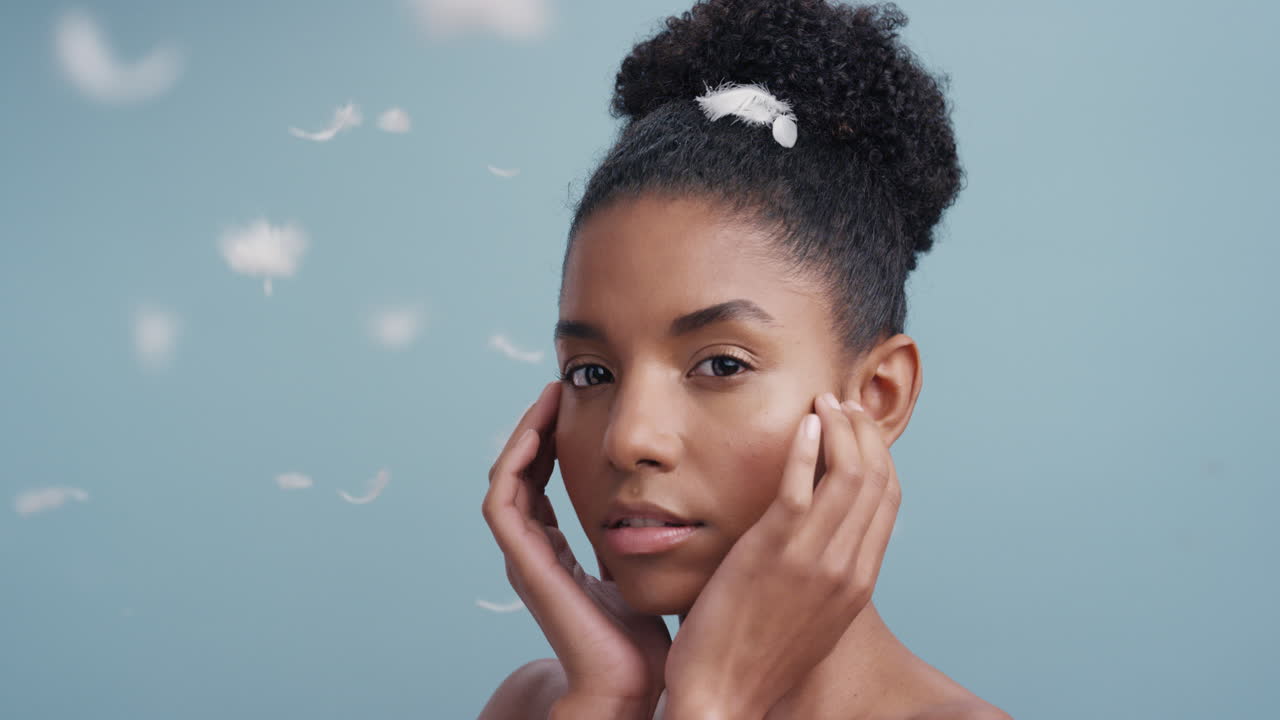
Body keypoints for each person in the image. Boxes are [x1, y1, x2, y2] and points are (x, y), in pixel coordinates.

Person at [480, 1, 1009, 717]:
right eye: (591, 374)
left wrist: (710, 704)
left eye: (721, 365)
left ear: (878, 396)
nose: (628, 439)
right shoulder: (540, 704)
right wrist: (612, 698)